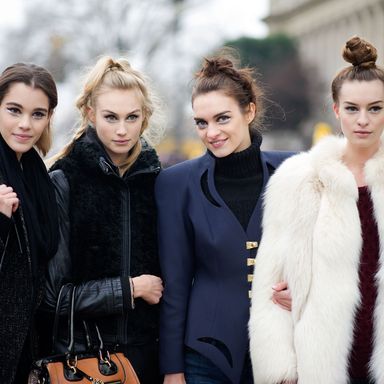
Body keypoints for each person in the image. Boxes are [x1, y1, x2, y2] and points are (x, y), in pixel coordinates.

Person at [249, 36, 384, 384]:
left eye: (375, 108)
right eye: (352, 108)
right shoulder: (298, 179)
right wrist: (281, 372)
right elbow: (270, 292)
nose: (363, 120)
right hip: (321, 362)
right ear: (336, 110)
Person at [155, 52, 293, 384]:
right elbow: (174, 286)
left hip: (285, 351)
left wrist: (302, 290)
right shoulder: (176, 184)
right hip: (205, 359)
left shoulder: (294, 170)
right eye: (201, 122)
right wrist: (172, 370)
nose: (211, 132)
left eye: (222, 118)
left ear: (250, 111)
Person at [41, 56, 164, 384]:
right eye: (111, 117)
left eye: (132, 117)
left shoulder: (160, 182)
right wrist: (129, 289)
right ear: (90, 113)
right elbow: (54, 298)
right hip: (84, 362)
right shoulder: (63, 181)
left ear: (145, 118)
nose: (122, 130)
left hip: (150, 360)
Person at [0, 63, 59, 383]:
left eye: (38, 114)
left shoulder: (39, 175)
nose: (25, 124)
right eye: (14, 110)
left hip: (27, 347)